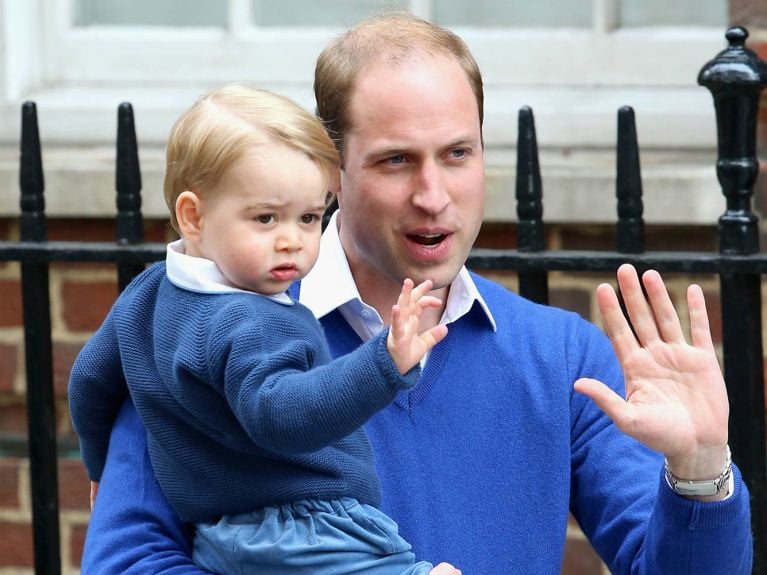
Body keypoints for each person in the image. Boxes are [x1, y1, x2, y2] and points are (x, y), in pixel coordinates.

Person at [79, 12, 754, 575]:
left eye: (456, 154)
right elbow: (127, 561)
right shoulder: (199, 330)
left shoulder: (560, 356)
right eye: (396, 160)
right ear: (331, 172)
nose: (432, 196)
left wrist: (697, 467)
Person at [68, 84, 460, 575]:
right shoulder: (253, 319)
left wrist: (99, 467)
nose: (291, 241)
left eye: (310, 218)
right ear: (194, 215)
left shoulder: (147, 294)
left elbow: (88, 379)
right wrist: (383, 364)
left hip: (219, 535)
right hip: (306, 528)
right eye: (266, 217)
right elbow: (282, 415)